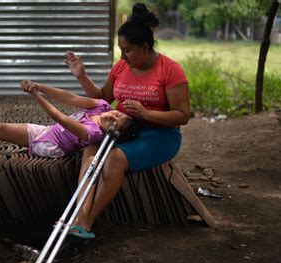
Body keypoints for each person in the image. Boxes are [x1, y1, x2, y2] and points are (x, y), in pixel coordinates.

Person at [64, 3, 190, 239]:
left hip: (161, 135)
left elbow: (183, 116)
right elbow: (103, 97)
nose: (123, 56)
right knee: (90, 148)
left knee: (115, 158)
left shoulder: (171, 70)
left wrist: (146, 113)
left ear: (145, 46)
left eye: (128, 50)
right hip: (122, 130)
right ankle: (80, 214)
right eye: (120, 50)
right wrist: (82, 76)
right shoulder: (122, 66)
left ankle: (86, 222)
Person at [0, 80, 135, 159]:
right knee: (0, 128)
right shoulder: (102, 105)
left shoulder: (93, 133)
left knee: (4, 133)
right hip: (49, 130)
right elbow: (70, 98)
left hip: (51, 144)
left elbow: (58, 116)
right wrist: (40, 86)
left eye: (115, 121)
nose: (113, 115)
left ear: (111, 132)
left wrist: (35, 95)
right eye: (118, 112)